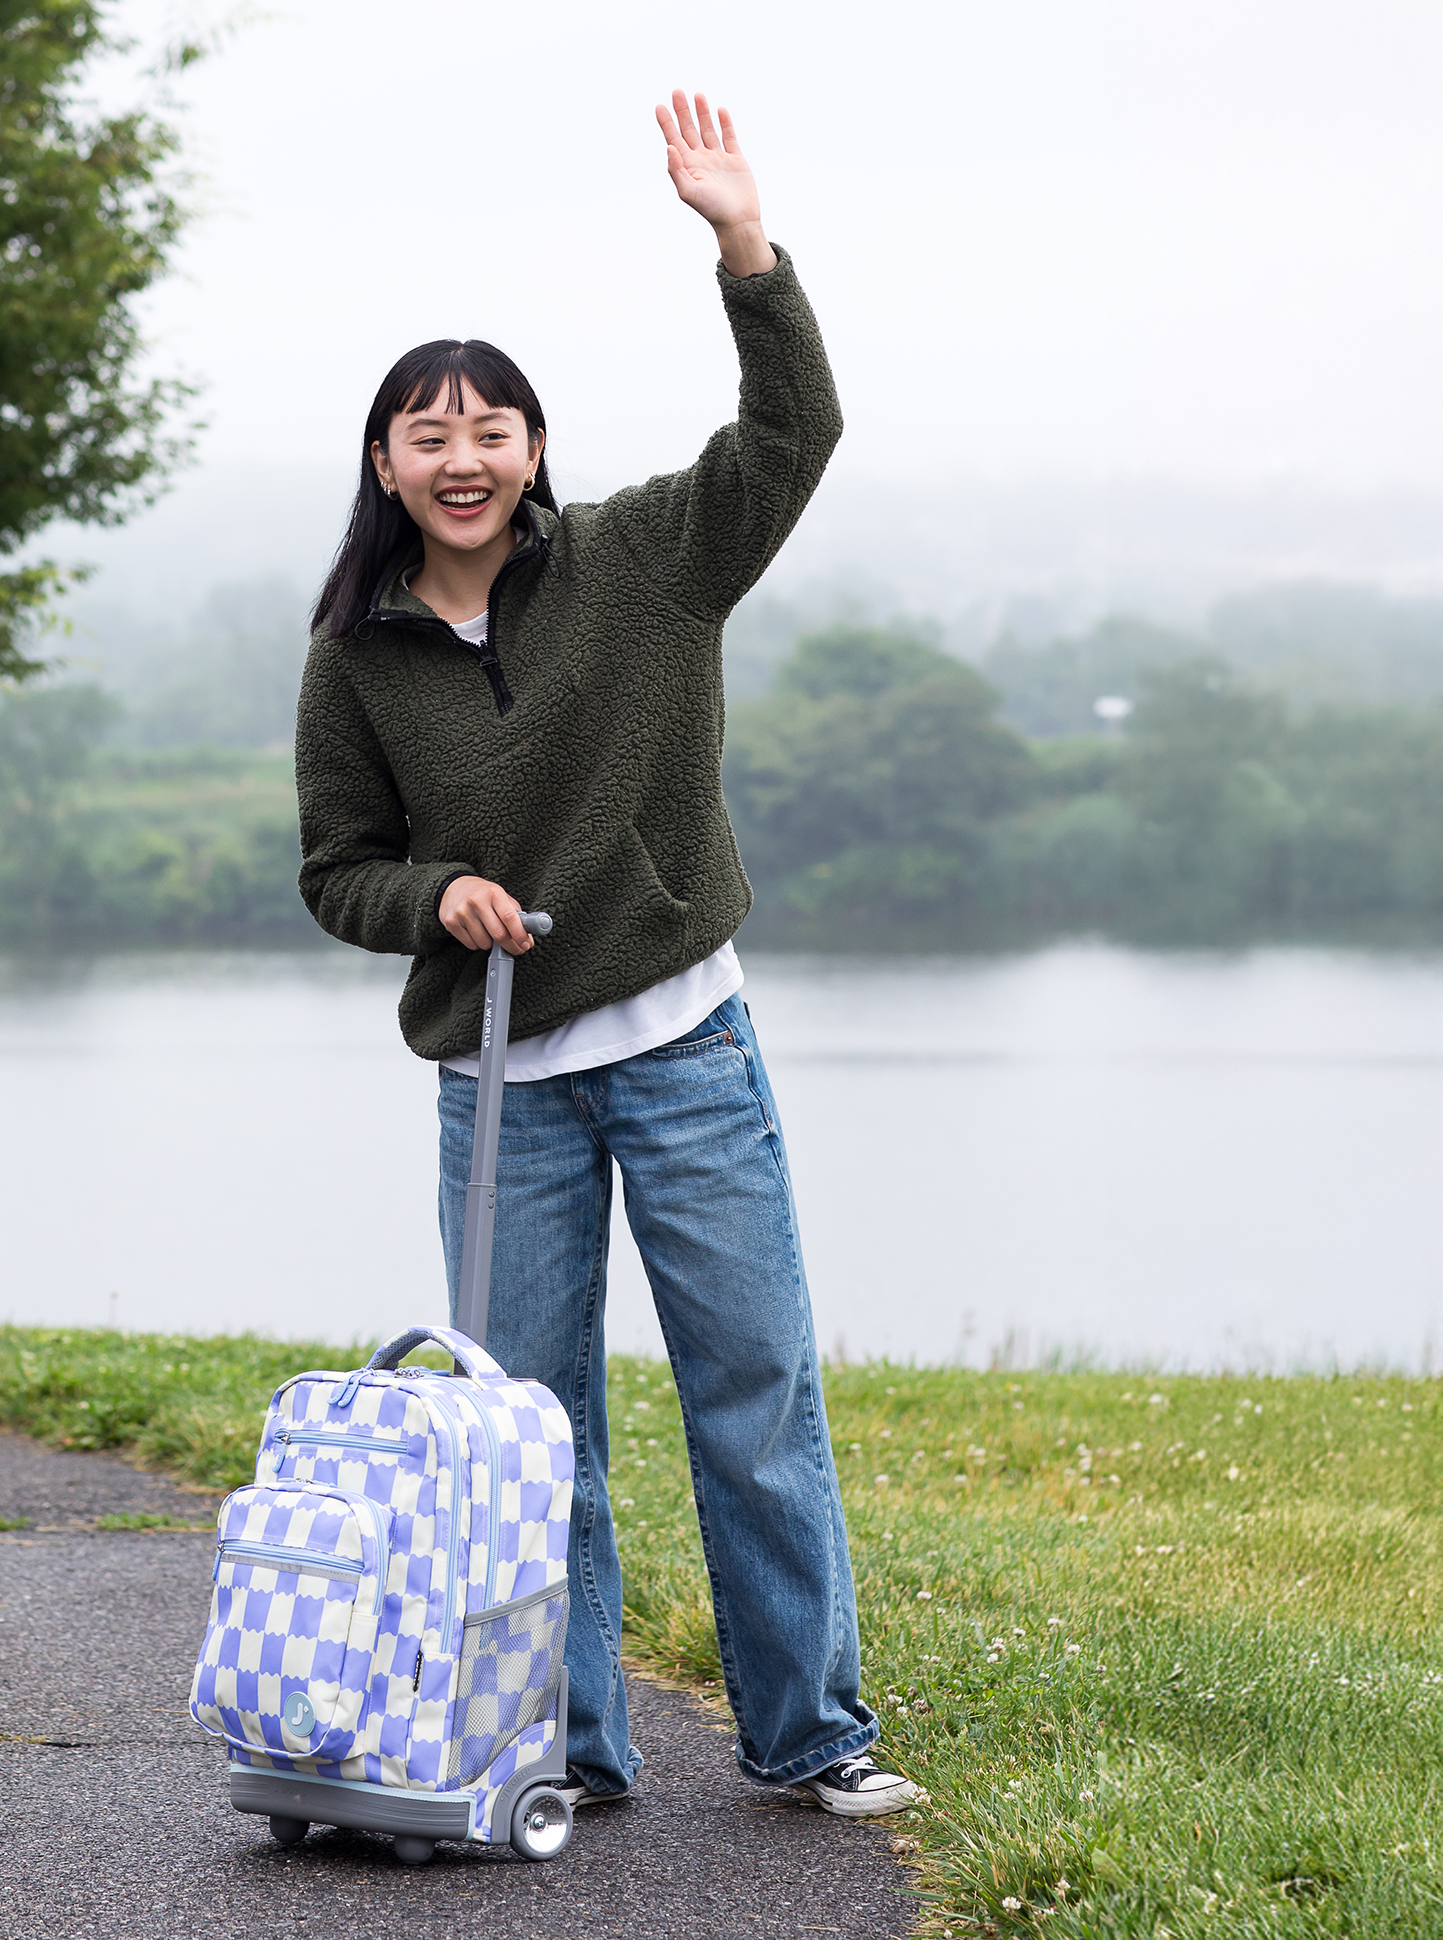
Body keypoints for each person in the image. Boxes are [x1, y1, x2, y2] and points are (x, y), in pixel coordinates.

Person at [295, 90, 917, 1821]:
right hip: (503, 1089)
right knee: (527, 1437)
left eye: (493, 426)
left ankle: (812, 1739)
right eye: (430, 433)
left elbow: (792, 434)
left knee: (754, 1400)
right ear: (385, 466)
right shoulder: (355, 657)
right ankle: (565, 1749)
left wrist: (742, 245)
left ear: (536, 451)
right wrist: (439, 902)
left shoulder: (648, 559)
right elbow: (338, 869)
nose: (464, 453)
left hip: (686, 1052)